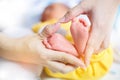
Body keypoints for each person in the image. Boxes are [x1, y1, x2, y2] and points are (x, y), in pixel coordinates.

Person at [58, 0, 120, 66]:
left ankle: (81, 48)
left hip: (90, 53)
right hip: (58, 61)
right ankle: (80, 49)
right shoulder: (49, 24)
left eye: (51, 8)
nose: (47, 11)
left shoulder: (70, 24)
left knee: (97, 47)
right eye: (46, 9)